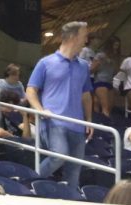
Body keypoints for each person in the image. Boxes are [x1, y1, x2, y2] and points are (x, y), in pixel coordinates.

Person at [26, 21, 93, 187]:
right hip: (54, 121)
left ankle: (71, 203)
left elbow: (86, 95)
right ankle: (29, 183)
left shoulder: (84, 66)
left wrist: (89, 120)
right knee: (60, 156)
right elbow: (30, 90)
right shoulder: (46, 62)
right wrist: (40, 110)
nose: (86, 40)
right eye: (84, 36)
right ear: (73, 37)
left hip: (77, 124)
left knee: (74, 170)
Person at [88, 36, 120, 117]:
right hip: (100, 82)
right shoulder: (100, 55)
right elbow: (91, 70)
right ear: (110, 45)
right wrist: (99, 63)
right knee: (105, 107)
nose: (116, 47)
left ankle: (100, 121)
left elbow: (114, 72)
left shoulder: (115, 57)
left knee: (109, 106)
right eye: (115, 45)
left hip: (109, 82)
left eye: (117, 45)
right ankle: (104, 124)